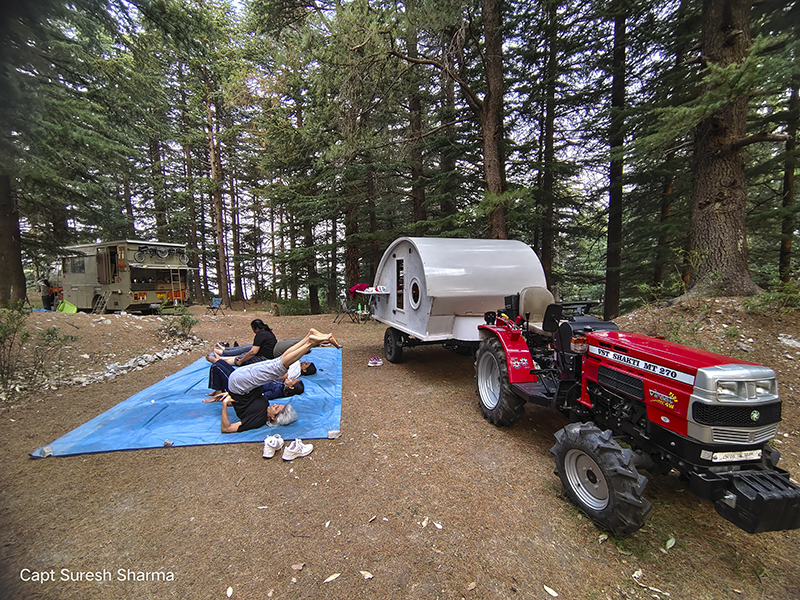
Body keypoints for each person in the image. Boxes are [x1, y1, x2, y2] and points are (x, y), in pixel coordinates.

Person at [208, 329, 340, 434]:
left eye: (276, 408)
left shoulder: (257, 420)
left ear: (273, 418)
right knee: (278, 361)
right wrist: (231, 396)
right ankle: (309, 337)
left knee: (278, 368)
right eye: (278, 405)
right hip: (243, 385)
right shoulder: (264, 408)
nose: (275, 405)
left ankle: (312, 342)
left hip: (239, 385)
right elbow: (246, 401)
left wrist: (225, 404)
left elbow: (227, 429)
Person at [214, 336, 317, 376]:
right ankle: (225, 351)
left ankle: (221, 359)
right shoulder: (297, 361)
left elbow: (284, 376)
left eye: (306, 364)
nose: (304, 362)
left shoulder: (296, 371)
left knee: (249, 356)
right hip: (272, 352)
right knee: (251, 348)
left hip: (271, 360)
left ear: (304, 370)